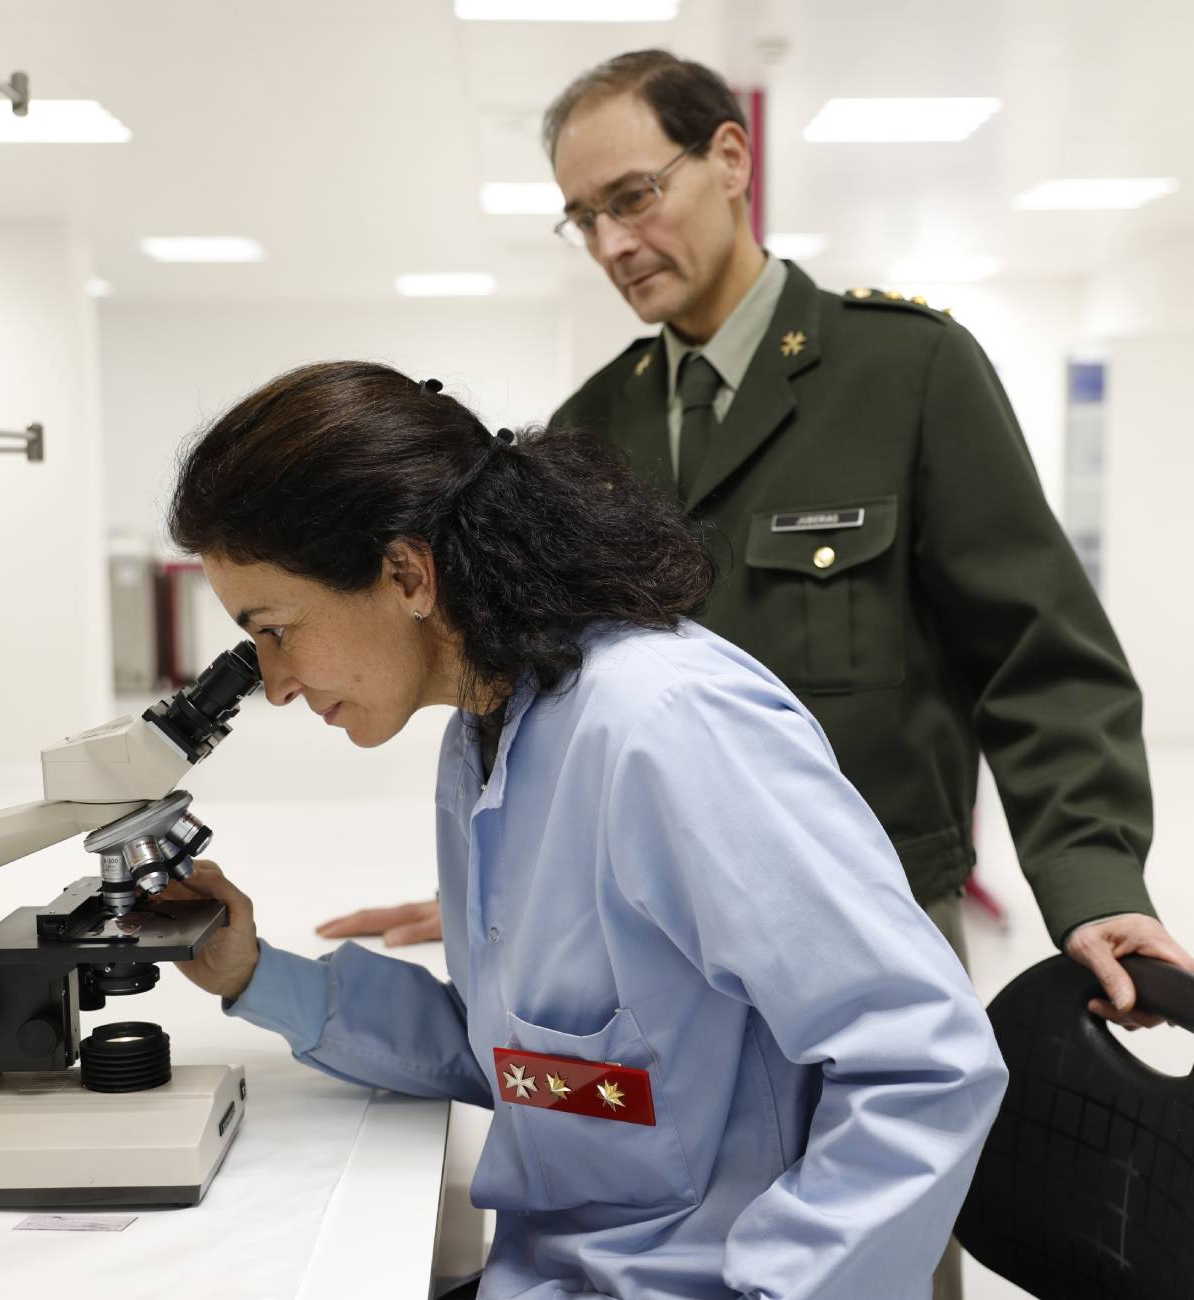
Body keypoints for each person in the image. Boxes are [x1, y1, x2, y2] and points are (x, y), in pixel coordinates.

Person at [320, 50, 1192, 1028]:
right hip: (655, 948)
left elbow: (1040, 656)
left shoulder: (906, 374)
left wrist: (1096, 880)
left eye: (634, 195)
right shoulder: (585, 430)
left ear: (731, 158)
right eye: (585, 218)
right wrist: (511, 893)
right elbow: (548, 699)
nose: (612, 241)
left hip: (874, 924)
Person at [164, 360, 1006, 1300]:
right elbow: (527, 1059)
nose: (273, 684)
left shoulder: (665, 726)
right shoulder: (486, 735)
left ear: (407, 572)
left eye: (275, 629)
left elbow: (925, 1063)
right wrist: (251, 974)